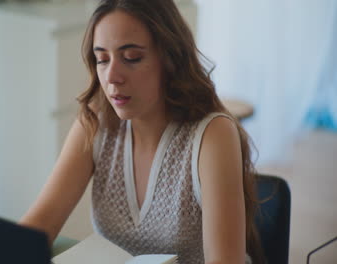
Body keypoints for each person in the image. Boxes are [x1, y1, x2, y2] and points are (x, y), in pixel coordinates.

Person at [19, 0, 263, 263]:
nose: (112, 76)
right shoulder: (95, 122)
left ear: (169, 58)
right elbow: (40, 225)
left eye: (131, 58)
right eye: (102, 59)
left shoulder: (212, 135)